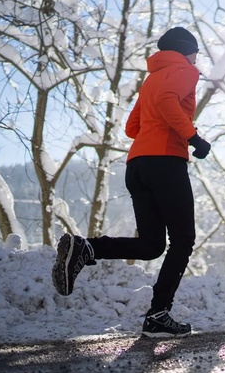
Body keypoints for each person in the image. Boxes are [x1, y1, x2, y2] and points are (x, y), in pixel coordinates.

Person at [51, 27, 211, 338]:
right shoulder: (185, 71)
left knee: (152, 245)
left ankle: (86, 248)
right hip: (166, 163)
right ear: (185, 49)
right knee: (183, 240)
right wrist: (193, 137)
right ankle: (158, 315)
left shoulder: (152, 78)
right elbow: (167, 103)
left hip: (137, 165)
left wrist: (160, 133)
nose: (196, 57)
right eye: (195, 51)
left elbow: (132, 126)